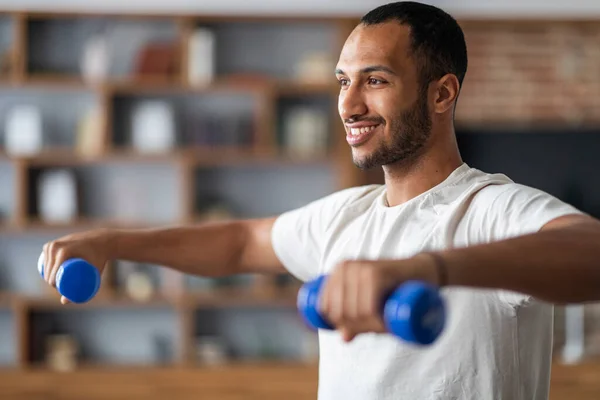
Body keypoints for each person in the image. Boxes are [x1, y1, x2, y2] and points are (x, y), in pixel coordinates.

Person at [40, 2, 600, 399]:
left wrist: (427, 268)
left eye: (374, 80)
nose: (348, 105)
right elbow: (239, 243)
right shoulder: (346, 215)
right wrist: (110, 240)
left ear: (442, 94)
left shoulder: (487, 210)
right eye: (342, 81)